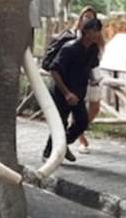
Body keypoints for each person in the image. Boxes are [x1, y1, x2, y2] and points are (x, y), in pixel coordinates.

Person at [42, 18, 103, 162]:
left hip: (79, 93)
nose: (96, 34)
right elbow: (54, 70)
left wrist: (94, 81)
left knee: (82, 122)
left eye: (98, 31)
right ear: (86, 31)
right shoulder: (69, 48)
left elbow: (91, 67)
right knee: (60, 123)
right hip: (62, 92)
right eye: (94, 31)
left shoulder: (93, 50)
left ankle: (63, 145)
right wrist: (66, 93)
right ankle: (48, 151)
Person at [73, 6, 105, 154]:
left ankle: (77, 129)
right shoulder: (75, 35)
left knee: (95, 107)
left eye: (91, 17)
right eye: (85, 16)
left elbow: (99, 55)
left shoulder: (98, 38)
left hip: (95, 73)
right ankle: (80, 137)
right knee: (79, 107)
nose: (88, 19)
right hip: (79, 74)